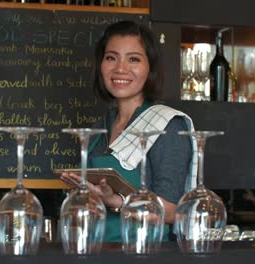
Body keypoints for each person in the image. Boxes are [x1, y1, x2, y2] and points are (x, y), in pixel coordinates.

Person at [59, 20, 196, 242]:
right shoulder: (99, 127)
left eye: (133, 59)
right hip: (95, 248)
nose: (120, 68)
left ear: (150, 67)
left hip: (145, 252)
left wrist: (118, 202)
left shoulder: (167, 125)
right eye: (111, 57)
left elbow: (173, 211)